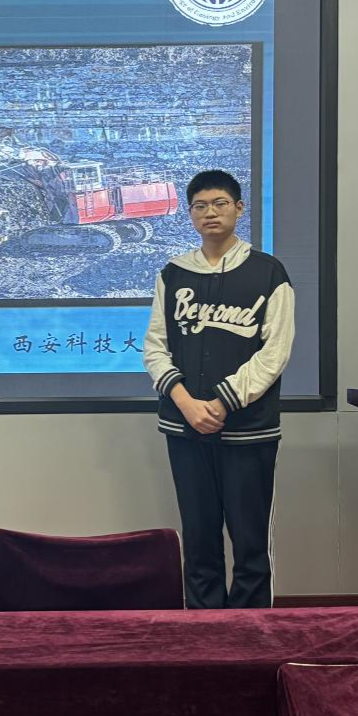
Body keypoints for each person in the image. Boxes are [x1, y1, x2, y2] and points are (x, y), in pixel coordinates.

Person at [142, 170, 295, 608]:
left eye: (220, 203)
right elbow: (155, 347)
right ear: (190, 214)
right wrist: (186, 403)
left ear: (239, 208)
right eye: (200, 206)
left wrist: (222, 401)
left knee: (250, 543)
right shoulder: (173, 274)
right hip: (185, 428)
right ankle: (204, 630)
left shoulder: (268, 273)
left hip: (249, 429)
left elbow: (275, 352)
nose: (210, 212)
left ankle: (250, 632)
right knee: (199, 538)